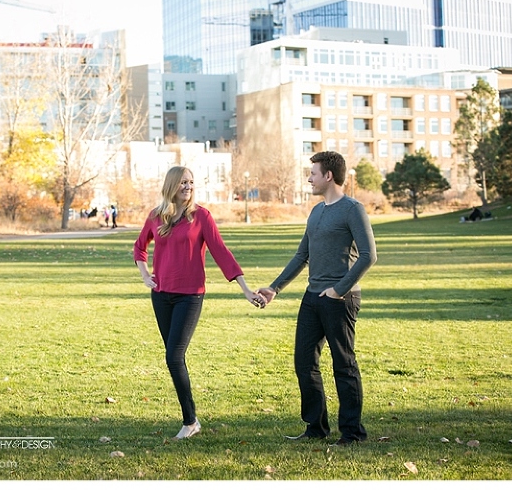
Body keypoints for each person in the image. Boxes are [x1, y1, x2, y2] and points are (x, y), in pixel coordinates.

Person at [134, 166, 266, 441]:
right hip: (161, 295)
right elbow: (139, 247)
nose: (188, 186)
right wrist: (145, 275)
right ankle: (191, 419)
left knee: (173, 357)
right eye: (183, 182)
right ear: (172, 185)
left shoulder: (201, 216)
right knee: (174, 358)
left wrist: (244, 289)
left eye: (191, 182)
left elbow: (221, 252)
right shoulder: (157, 216)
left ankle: (190, 421)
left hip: (190, 295)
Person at [258, 151, 377, 446]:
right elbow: (302, 255)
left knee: (343, 364)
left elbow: (368, 255)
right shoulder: (316, 211)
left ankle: (352, 432)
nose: (309, 178)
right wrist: (275, 288)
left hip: (340, 300)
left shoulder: (352, 209)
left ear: (328, 175)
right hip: (312, 298)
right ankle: (316, 427)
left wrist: (339, 289)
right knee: (304, 362)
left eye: (313, 173)